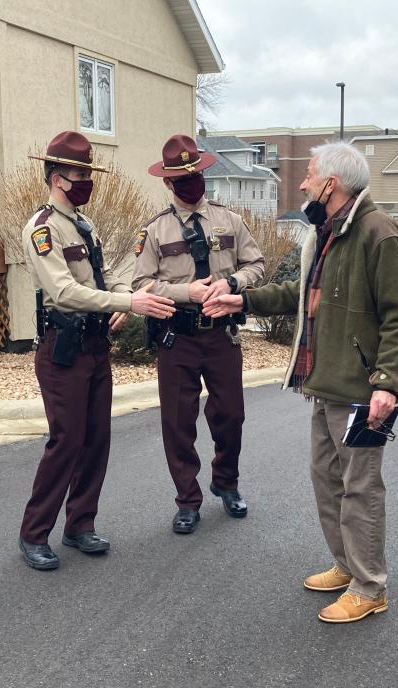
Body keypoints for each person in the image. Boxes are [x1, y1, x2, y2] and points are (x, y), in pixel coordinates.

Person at [204, 141, 398, 623]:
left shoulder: (376, 232)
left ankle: (370, 586)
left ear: (332, 184)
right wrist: (244, 301)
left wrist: (388, 382)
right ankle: (347, 566)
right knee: (327, 480)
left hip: (362, 391)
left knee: (360, 488)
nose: (301, 183)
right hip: (324, 383)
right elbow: (300, 295)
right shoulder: (325, 232)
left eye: (308, 174)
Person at [19, 131, 175, 571]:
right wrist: (129, 302)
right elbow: (64, 291)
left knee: (95, 440)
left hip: (93, 344)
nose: (86, 180)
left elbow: (102, 281)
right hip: (62, 346)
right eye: (78, 173)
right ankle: (34, 533)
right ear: (56, 178)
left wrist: (123, 295)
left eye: (88, 172)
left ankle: (79, 524)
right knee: (65, 441)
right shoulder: (43, 228)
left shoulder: (84, 224)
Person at [133, 134, 264, 534]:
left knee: (231, 416)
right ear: (167, 183)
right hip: (178, 337)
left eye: (197, 175)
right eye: (183, 178)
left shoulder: (231, 221)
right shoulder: (154, 230)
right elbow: (141, 284)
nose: (193, 183)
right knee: (177, 421)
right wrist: (183, 291)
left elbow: (257, 265)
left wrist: (233, 284)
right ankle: (187, 499)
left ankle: (226, 482)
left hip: (222, 336)